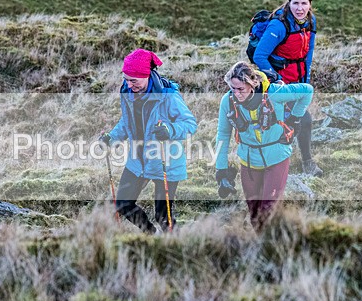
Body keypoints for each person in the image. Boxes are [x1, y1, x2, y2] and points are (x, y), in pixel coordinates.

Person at [100, 49, 197, 233]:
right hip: (137, 160)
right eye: (126, 79)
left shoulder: (169, 96)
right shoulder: (127, 92)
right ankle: (149, 236)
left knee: (163, 216)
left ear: (146, 75)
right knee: (122, 204)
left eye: (133, 80)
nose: (129, 85)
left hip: (164, 162)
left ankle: (175, 247)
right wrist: (111, 138)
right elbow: (127, 121)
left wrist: (170, 130)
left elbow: (190, 123)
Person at [215, 61, 313, 230]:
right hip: (248, 161)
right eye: (233, 88)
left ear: (252, 84)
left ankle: (272, 247)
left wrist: (295, 117)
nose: (236, 93)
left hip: (277, 158)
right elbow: (223, 135)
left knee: (267, 211)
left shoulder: (274, 93)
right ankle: (261, 246)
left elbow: (307, 91)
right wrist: (221, 171)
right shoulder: (228, 101)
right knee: (254, 215)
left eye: (241, 89)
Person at [251, 0, 322, 177]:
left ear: (310, 5)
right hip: (278, 84)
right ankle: (304, 163)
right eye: (295, 3)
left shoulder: (310, 22)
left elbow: (308, 56)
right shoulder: (279, 25)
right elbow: (259, 56)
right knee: (302, 120)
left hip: (297, 82)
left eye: (304, 3)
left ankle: (281, 163)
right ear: (289, 3)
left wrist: (305, 83)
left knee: (296, 120)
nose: (299, 8)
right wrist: (277, 80)